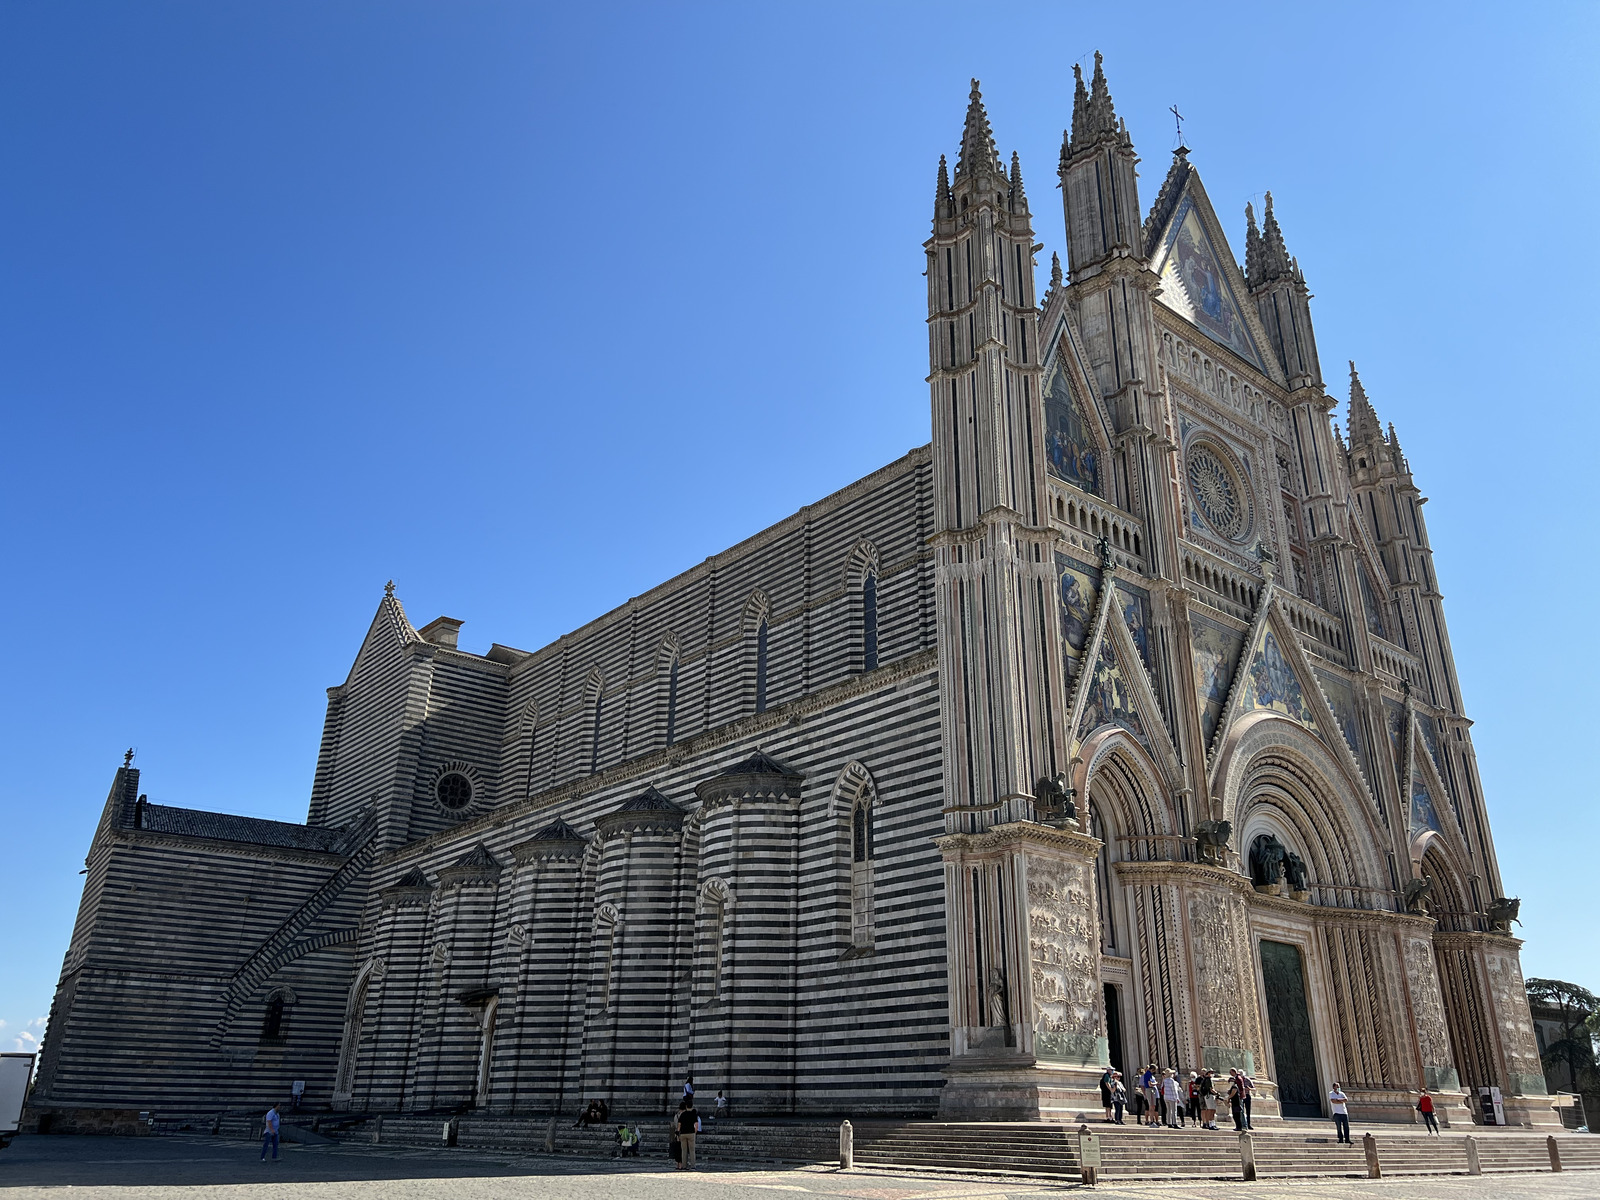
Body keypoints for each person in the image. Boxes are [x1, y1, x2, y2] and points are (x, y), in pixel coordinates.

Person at [676, 1098, 699, 1170]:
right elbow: (696, 1125)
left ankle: (684, 1166)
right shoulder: (693, 1114)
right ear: (692, 1106)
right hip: (691, 1133)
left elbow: (679, 1125)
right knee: (692, 1150)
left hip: (683, 1133)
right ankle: (693, 1165)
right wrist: (695, 1132)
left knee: (684, 1150)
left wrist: (678, 1133)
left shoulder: (683, 1114)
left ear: (686, 1106)